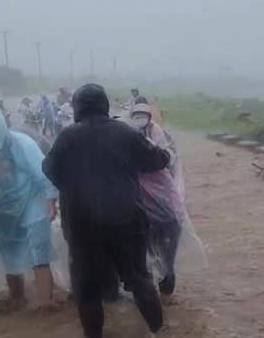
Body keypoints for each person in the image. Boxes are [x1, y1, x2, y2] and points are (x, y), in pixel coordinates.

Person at [43, 84, 171, 338]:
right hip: (127, 220)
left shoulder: (67, 137)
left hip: (82, 224)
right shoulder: (125, 132)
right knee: (138, 279)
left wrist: (75, 190)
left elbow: (49, 169)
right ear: (105, 105)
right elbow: (155, 160)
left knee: (87, 286)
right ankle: (160, 330)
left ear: (78, 108)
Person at [0, 104, 59, 311]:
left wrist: (51, 201)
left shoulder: (23, 144)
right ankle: (17, 298)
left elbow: (44, 174)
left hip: (32, 200)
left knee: (39, 250)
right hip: (4, 205)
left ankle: (46, 303)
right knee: (9, 251)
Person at [129, 104, 184, 299]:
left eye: (142, 116)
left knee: (167, 255)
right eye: (136, 116)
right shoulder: (129, 140)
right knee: (148, 254)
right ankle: (152, 294)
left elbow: (171, 166)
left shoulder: (162, 142)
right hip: (143, 209)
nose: (139, 119)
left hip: (165, 207)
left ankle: (166, 292)